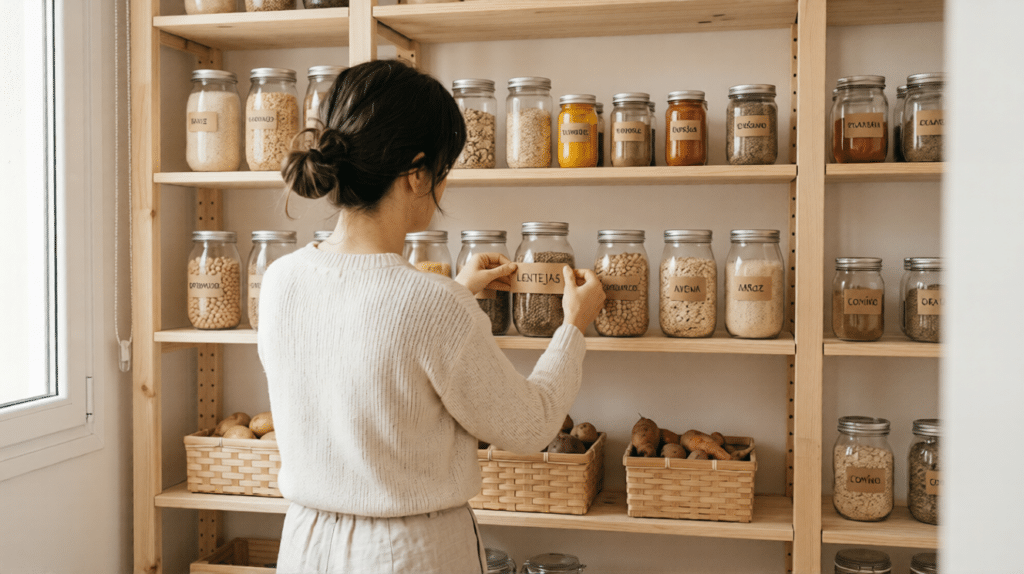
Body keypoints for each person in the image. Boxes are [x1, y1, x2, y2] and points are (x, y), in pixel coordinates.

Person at [257, 60, 606, 574]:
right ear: (417, 174)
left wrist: (458, 291)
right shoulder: (434, 306)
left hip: (306, 543)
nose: (445, 186)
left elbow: (368, 346)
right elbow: (530, 425)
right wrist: (572, 327)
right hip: (406, 554)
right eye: (444, 170)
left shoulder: (282, 280)